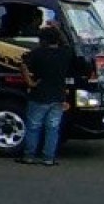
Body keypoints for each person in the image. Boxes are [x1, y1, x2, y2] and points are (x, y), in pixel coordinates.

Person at [18, 25, 73, 166]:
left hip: (39, 94)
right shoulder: (65, 53)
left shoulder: (37, 53)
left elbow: (23, 65)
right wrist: (58, 29)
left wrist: (30, 82)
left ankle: (28, 156)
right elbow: (66, 42)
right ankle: (48, 158)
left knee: (33, 126)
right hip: (58, 95)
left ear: (42, 40)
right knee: (52, 128)